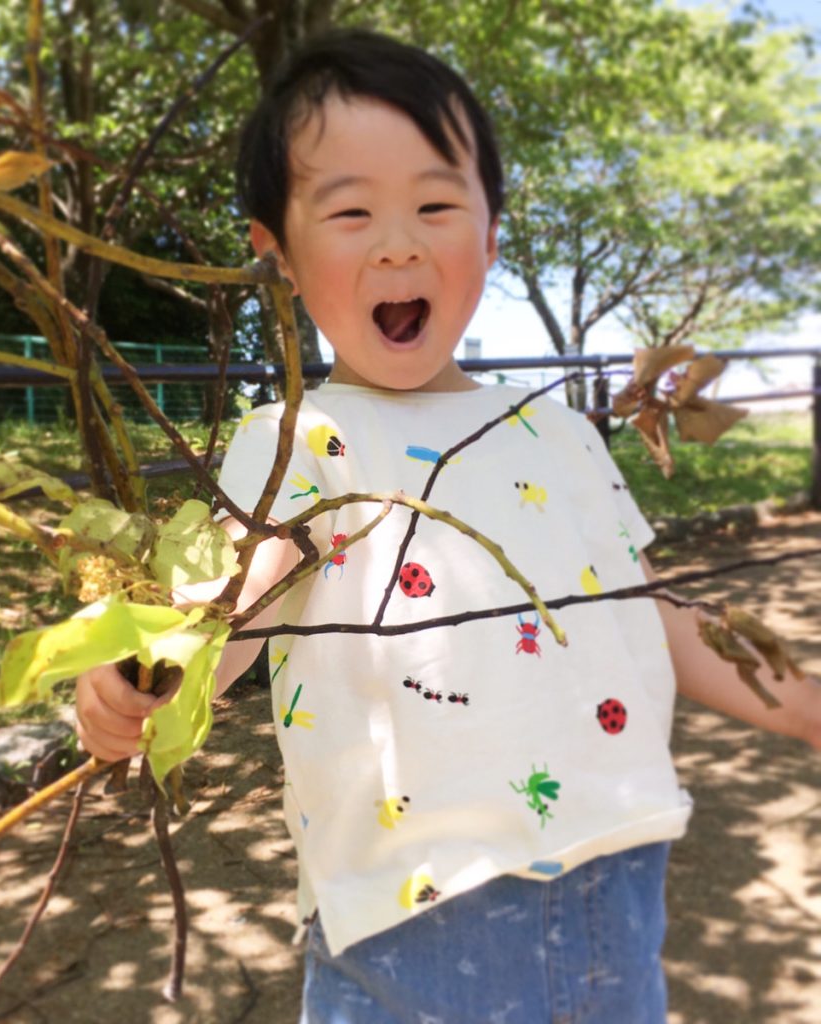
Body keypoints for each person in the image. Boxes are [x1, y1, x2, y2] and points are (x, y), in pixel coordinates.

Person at [75, 29, 821, 1023]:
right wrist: (132, 684)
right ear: (278, 254)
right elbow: (219, 617)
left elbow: (656, 619)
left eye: (435, 204)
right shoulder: (300, 441)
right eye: (350, 212)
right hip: (408, 922)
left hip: (618, 876)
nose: (398, 242)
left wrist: (803, 704)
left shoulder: (557, 432)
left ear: (491, 235)